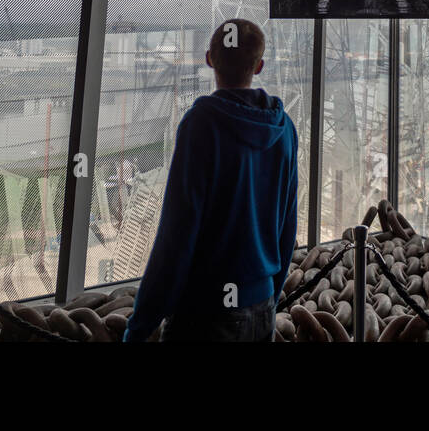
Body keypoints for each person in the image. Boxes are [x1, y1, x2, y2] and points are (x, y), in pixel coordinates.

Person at [122, 19, 297, 342]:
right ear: (258, 66)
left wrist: (140, 325)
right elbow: (287, 230)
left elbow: (176, 237)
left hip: (205, 314)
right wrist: (267, 295)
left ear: (209, 59)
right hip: (261, 307)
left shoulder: (201, 125)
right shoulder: (284, 129)